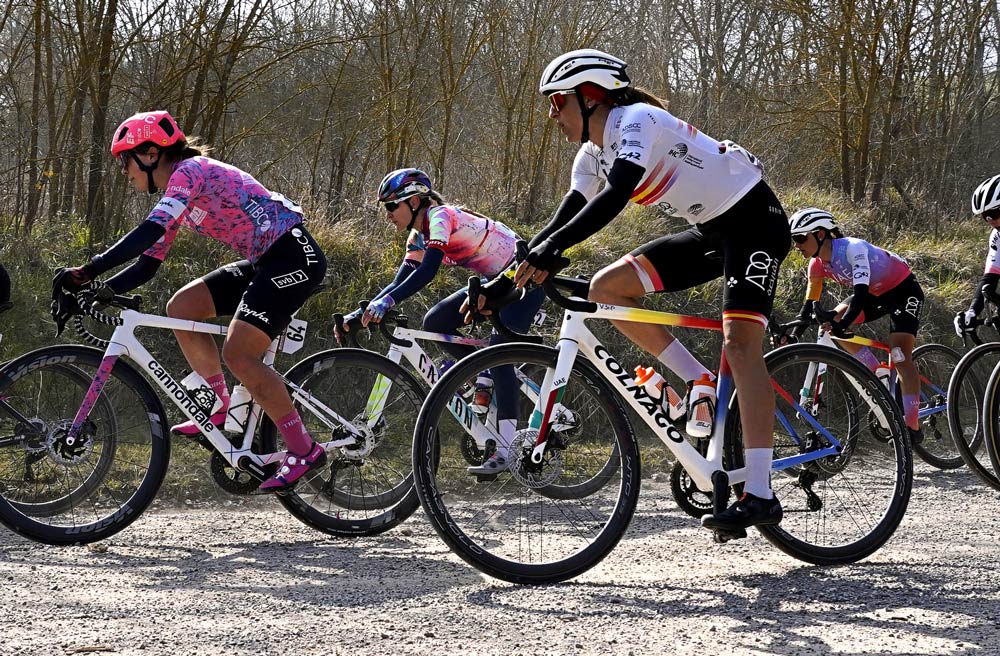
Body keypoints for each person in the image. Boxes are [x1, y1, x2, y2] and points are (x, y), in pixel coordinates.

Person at [513, 49, 790, 534]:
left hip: (754, 224)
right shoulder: (591, 153)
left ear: (591, 96)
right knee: (608, 288)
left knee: (741, 344)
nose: (551, 114)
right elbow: (568, 215)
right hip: (709, 231)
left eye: (558, 102)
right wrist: (510, 275)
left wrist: (551, 249)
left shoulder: (638, 120)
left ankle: (761, 493)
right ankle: (699, 380)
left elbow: (617, 194)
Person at [52, 110, 328, 491]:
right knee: (183, 307)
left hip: (293, 256)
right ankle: (218, 403)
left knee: (239, 355)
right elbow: (148, 262)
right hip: (266, 258)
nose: (123, 170)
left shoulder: (190, 171)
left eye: (124, 160)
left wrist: (88, 269)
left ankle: (304, 449)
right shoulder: (178, 191)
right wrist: (95, 291)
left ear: (149, 154)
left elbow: (147, 232)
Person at [339, 168, 545, 474]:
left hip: (523, 281)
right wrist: (361, 312)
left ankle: (506, 448)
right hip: (493, 282)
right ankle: (483, 370)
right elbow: (403, 277)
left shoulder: (440, 216)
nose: (387, 215)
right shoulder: (418, 235)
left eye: (391, 206)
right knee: (435, 323)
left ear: (414, 201)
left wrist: (387, 302)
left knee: (501, 354)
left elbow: (427, 272)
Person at [788, 207, 924, 444]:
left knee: (900, 354)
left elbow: (859, 296)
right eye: (794, 240)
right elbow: (808, 308)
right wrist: (793, 335)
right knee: (832, 326)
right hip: (875, 294)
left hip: (903, 290)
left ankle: (912, 426)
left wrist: (846, 323)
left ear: (820, 234)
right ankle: (875, 374)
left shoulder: (853, 249)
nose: (797, 245)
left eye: (800, 238)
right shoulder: (816, 265)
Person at [955, 174, 1000, 336]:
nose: (990, 220)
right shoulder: (997, 236)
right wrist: (972, 312)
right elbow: (990, 278)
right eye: (985, 216)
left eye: (994, 213)